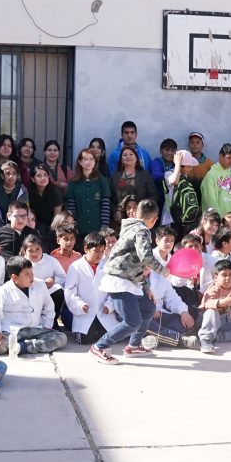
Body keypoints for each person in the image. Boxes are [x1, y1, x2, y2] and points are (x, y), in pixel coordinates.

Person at [90, 198, 166, 364]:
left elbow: (137, 262)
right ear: (154, 219)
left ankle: (134, 346)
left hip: (132, 279)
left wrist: (146, 286)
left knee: (148, 308)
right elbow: (145, 257)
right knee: (132, 322)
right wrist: (165, 271)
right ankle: (99, 346)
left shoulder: (131, 227)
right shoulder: (142, 231)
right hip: (120, 280)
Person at [0, 256, 69, 358]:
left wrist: (47, 324)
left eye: (31, 272)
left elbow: (49, 307)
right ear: (15, 278)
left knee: (61, 338)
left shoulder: (40, 284)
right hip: (12, 332)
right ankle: (19, 345)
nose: (31, 276)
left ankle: (23, 347)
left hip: (36, 329)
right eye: (27, 274)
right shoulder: (2, 291)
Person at [64, 232, 115, 345]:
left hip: (104, 311)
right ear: (86, 249)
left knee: (109, 338)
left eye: (102, 251)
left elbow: (114, 289)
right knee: (85, 339)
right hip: (85, 313)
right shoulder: (75, 267)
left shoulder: (108, 266)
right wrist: (80, 305)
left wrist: (109, 305)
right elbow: (69, 291)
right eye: (96, 251)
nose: (100, 255)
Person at [66, 148, 112, 240]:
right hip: (79, 228)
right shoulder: (73, 182)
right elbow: (71, 207)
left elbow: (105, 205)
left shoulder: (102, 181)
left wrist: (104, 227)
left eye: (91, 159)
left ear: (95, 162)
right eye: (85, 159)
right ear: (80, 162)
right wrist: (73, 226)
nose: (88, 162)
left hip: (97, 228)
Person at [198, 143, 231, 219]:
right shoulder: (211, 176)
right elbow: (210, 202)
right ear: (220, 156)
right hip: (215, 223)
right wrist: (221, 220)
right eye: (229, 158)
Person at [0, 160, 30, 231]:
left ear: (17, 175)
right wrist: (4, 230)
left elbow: (24, 212)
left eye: (14, 173)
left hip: (18, 227)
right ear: (2, 175)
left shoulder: (22, 190)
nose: (11, 176)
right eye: (8, 173)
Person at [27, 164, 64, 240]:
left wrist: (51, 230)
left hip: (53, 225)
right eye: (39, 176)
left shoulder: (55, 192)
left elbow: (57, 215)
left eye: (45, 175)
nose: (43, 178)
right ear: (33, 179)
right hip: (36, 225)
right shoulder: (28, 192)